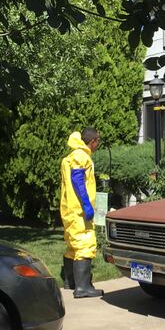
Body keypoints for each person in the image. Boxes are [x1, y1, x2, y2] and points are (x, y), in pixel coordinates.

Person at [59, 127, 104, 298]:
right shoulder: (81, 156)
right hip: (79, 211)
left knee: (73, 246)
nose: (98, 144)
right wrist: (86, 205)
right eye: (97, 141)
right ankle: (83, 288)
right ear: (92, 141)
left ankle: (71, 282)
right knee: (85, 244)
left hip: (70, 209)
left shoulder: (73, 155)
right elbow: (77, 180)